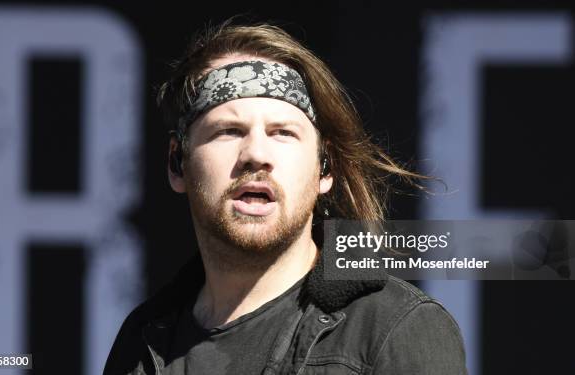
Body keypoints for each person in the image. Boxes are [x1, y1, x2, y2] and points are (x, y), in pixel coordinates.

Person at [104, 20, 468, 375]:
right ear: (177, 162)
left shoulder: (393, 329)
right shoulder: (143, 338)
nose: (255, 154)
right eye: (228, 131)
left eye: (282, 133)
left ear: (324, 169)